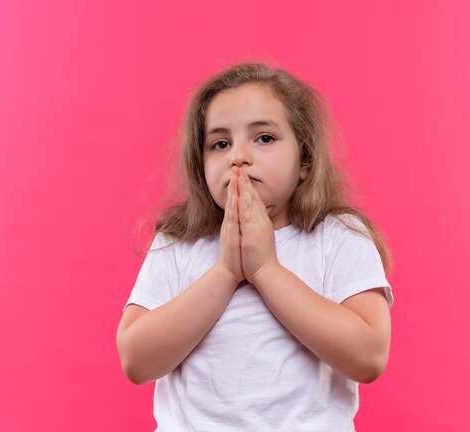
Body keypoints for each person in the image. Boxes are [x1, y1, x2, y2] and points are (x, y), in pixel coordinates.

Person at [116, 61, 395, 431]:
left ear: (305, 161)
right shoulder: (179, 241)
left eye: (264, 138)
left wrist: (266, 270)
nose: (238, 156)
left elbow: (369, 355)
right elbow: (136, 360)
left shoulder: (338, 235)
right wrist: (226, 272)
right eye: (220, 143)